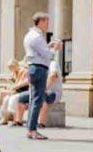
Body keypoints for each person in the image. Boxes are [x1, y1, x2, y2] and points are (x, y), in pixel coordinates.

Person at [23, 12, 62, 141]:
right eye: (46, 22)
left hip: (33, 68)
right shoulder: (37, 37)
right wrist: (55, 48)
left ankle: (30, 129)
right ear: (40, 22)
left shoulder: (30, 35)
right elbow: (48, 56)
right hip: (39, 69)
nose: (47, 25)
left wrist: (48, 46)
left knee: (33, 99)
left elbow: (40, 51)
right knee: (37, 101)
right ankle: (32, 130)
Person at [15, 58, 63, 128]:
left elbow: (52, 75)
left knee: (42, 96)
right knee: (22, 97)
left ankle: (41, 123)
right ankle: (18, 121)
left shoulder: (52, 63)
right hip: (38, 91)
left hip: (53, 92)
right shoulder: (38, 65)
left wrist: (44, 88)